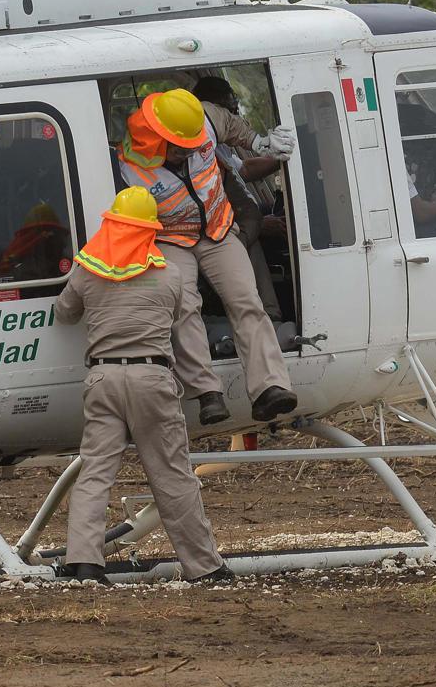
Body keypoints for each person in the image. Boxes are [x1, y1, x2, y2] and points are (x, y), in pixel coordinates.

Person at [53, 187, 232, 585]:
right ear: (151, 231)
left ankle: (84, 563)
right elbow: (183, 320)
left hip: (102, 378)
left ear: (112, 224)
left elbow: (64, 313)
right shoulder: (169, 274)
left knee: (95, 471)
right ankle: (204, 567)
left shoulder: (87, 271)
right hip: (152, 378)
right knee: (171, 474)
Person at [116, 87, 297, 425]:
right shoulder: (129, 168)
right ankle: (207, 393)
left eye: (192, 144)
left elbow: (230, 123)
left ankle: (270, 388)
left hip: (218, 227)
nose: (188, 152)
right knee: (183, 305)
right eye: (179, 148)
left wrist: (259, 142)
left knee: (246, 300)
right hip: (169, 238)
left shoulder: (203, 121)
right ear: (158, 139)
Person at [192, 75, 291, 321]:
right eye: (228, 110)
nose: (234, 116)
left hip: (238, 215)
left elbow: (243, 170)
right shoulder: (199, 149)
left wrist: (279, 159)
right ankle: (270, 316)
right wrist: (259, 226)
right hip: (221, 227)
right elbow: (213, 200)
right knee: (252, 243)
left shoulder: (218, 141)